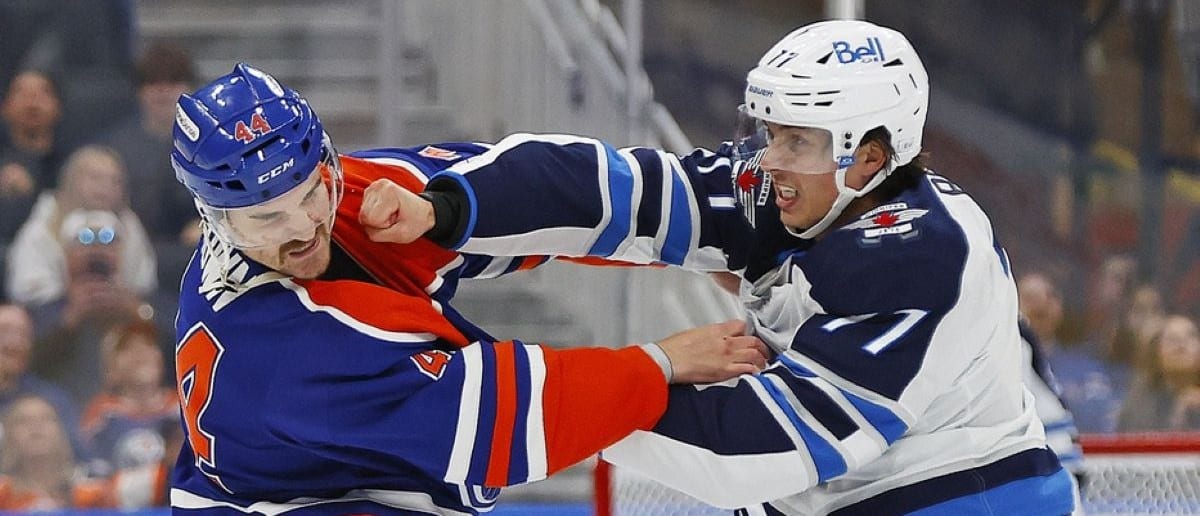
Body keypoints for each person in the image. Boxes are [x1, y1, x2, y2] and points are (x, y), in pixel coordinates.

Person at [368, 20, 1075, 514]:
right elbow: (616, 190)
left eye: (798, 140)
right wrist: (446, 208)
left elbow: (757, 451)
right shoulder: (791, 190)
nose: (769, 160)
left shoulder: (921, 258)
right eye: (770, 132)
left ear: (870, 156)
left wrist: (545, 399)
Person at [166, 63, 768, 514]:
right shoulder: (273, 350)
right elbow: (498, 425)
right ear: (215, 218)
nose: (302, 226)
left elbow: (530, 194)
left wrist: (682, 248)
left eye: (308, 194)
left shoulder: (346, 193)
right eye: (267, 218)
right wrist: (659, 363)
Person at [6, 145, 156, 314]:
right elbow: (28, 290)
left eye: (115, 181)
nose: (105, 187)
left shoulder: (129, 224)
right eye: (95, 178)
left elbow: (143, 284)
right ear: (71, 179)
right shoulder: (43, 224)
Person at [1116, 314, 1200, 431]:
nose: (1181, 343)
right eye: (1172, 338)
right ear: (1156, 352)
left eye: (1190, 336)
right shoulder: (1138, 406)